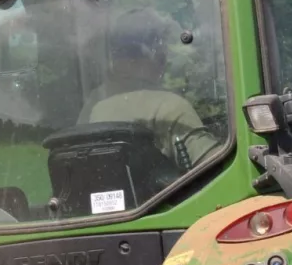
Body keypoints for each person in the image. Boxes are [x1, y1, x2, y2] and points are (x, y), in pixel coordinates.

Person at [78, 9, 216, 164]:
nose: (165, 61)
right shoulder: (170, 107)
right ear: (155, 56)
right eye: (162, 51)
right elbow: (214, 166)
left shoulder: (92, 106)